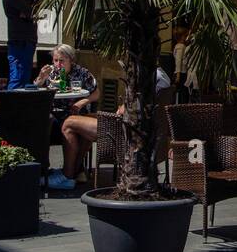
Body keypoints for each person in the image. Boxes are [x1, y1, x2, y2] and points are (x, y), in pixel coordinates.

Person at [51, 61, 174, 190]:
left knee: (69, 122)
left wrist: (121, 107)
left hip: (124, 130)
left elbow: (127, 110)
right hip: (138, 128)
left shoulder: (147, 77)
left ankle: (67, 176)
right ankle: (76, 171)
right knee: (84, 120)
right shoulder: (163, 77)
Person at [39, 44, 97, 190]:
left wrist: (84, 101)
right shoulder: (51, 73)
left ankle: (70, 173)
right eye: (55, 60)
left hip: (75, 113)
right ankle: (73, 171)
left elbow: (96, 92)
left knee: (81, 130)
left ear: (71, 60)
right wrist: (41, 78)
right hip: (55, 115)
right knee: (45, 124)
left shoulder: (82, 73)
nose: (58, 64)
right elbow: (36, 89)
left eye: (62, 61)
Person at [2, 0, 38, 89]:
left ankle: (22, 106)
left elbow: (36, 8)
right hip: (17, 38)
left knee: (25, 77)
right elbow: (28, 11)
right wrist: (28, 13)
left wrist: (28, 14)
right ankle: (10, 106)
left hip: (29, 37)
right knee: (17, 76)